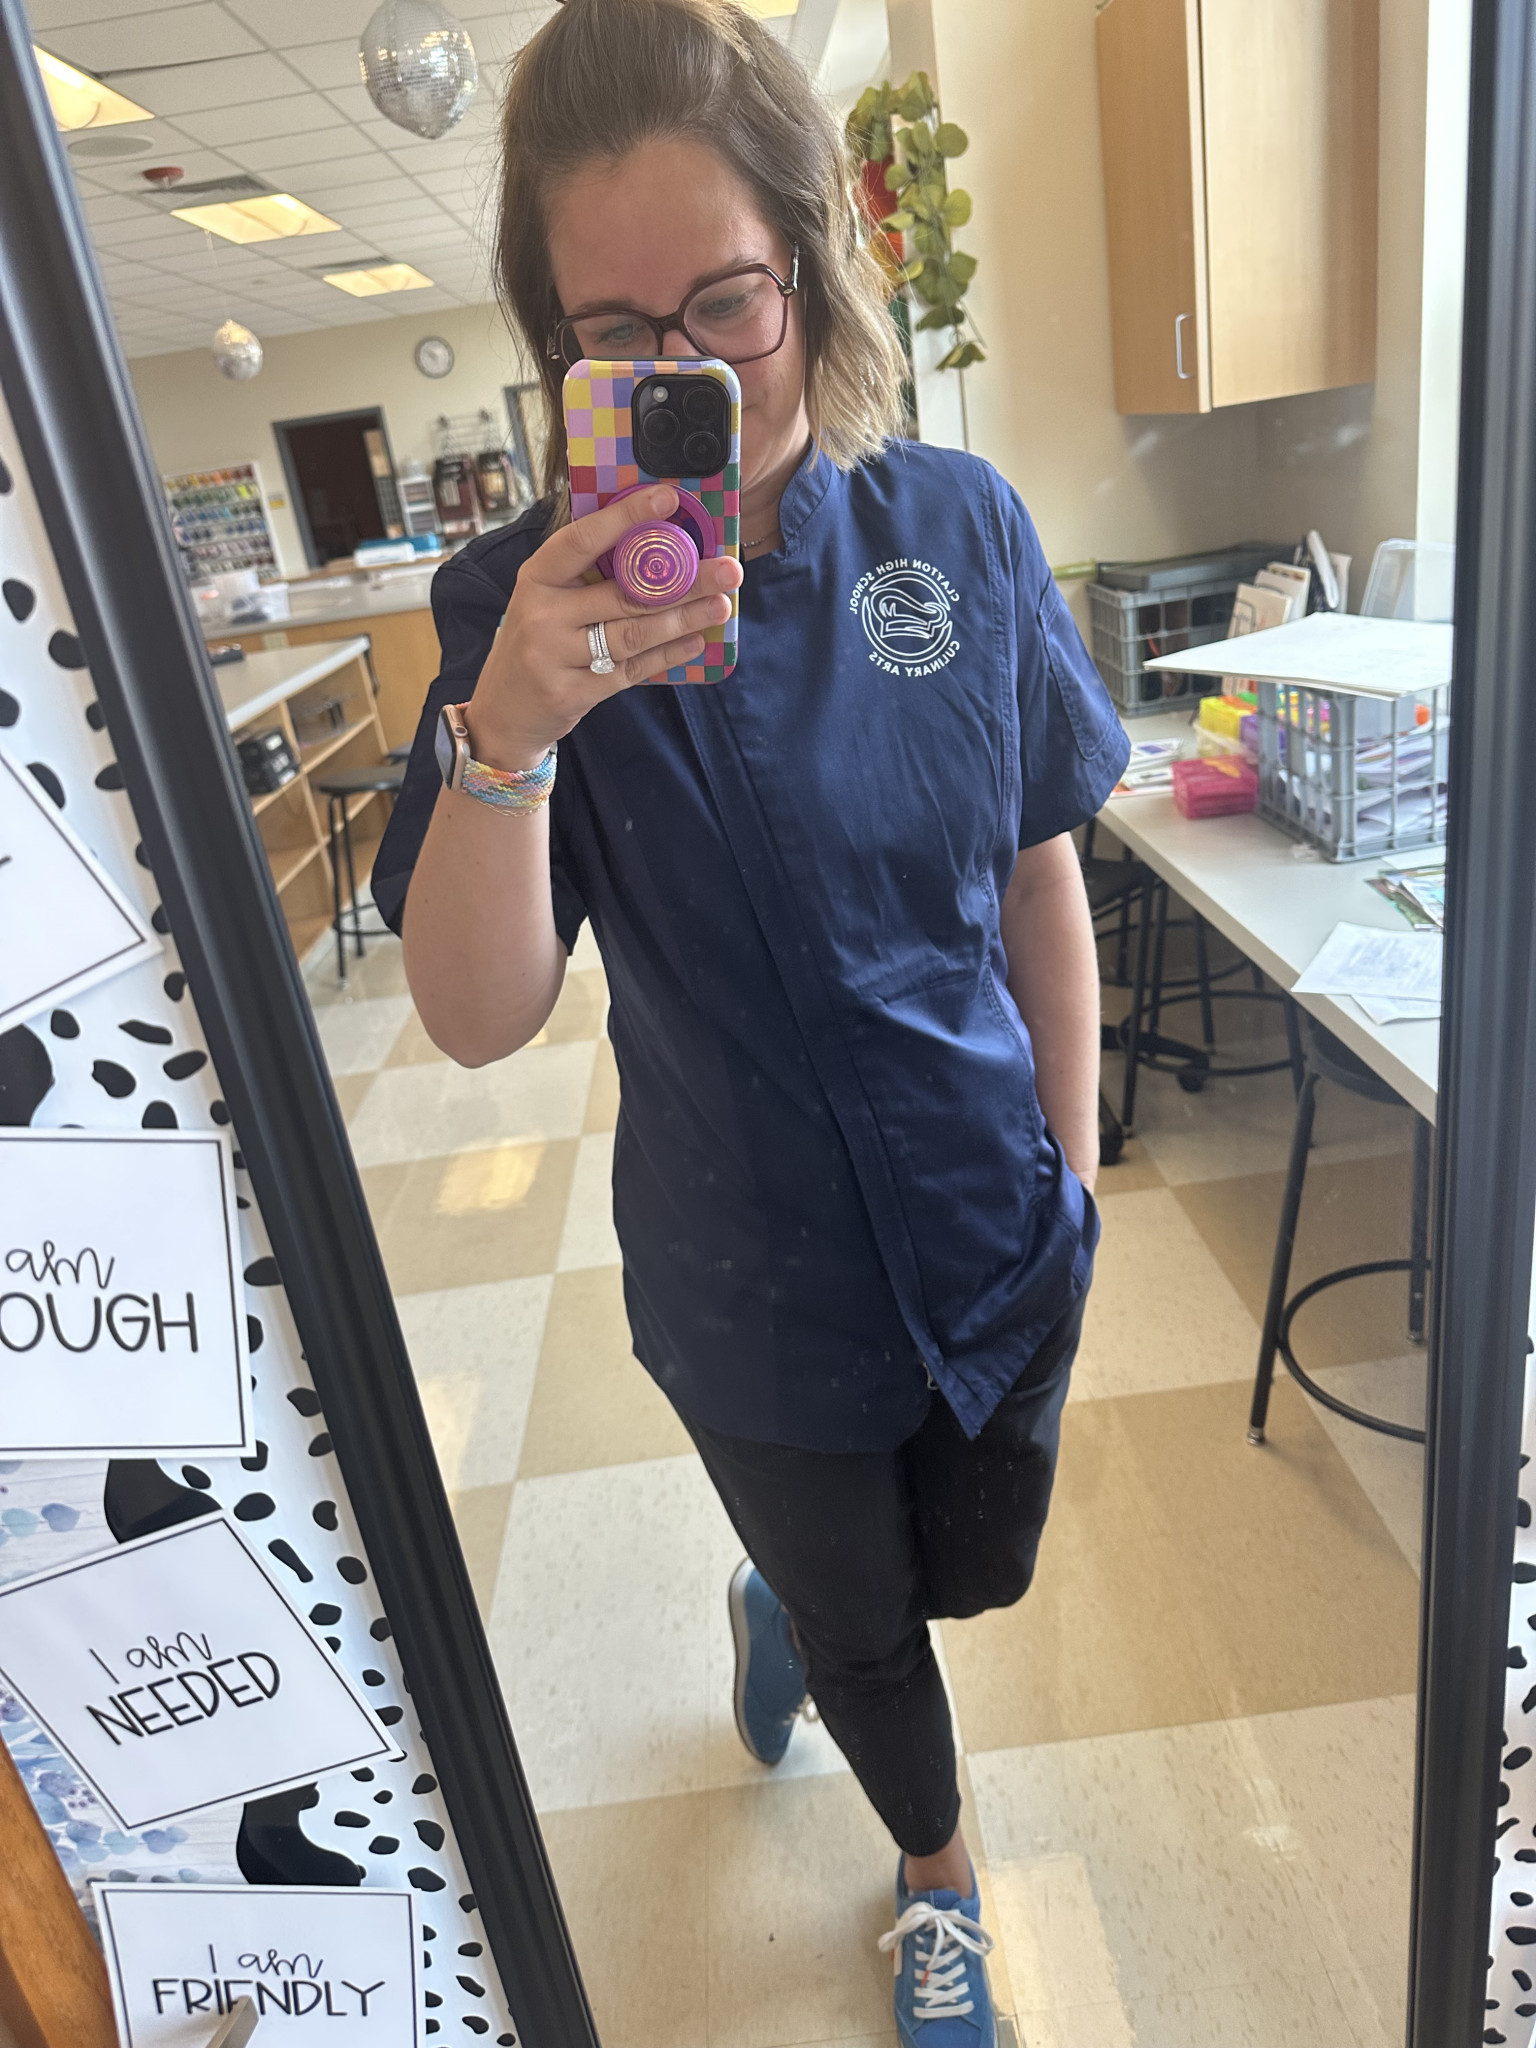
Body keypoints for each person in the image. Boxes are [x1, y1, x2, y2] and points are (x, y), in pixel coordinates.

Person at [372, 0, 1129, 2038]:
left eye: (728, 303)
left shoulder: (958, 527)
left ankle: (786, 1596)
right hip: (748, 1278)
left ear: (807, 258)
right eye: (620, 336)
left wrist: (1073, 1179)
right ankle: (937, 1872)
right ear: (555, 349)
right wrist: (513, 729)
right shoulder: (512, 613)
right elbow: (473, 1016)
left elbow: (1041, 872)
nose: (692, 370)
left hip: (994, 1218)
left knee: (967, 1569)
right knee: (883, 1639)